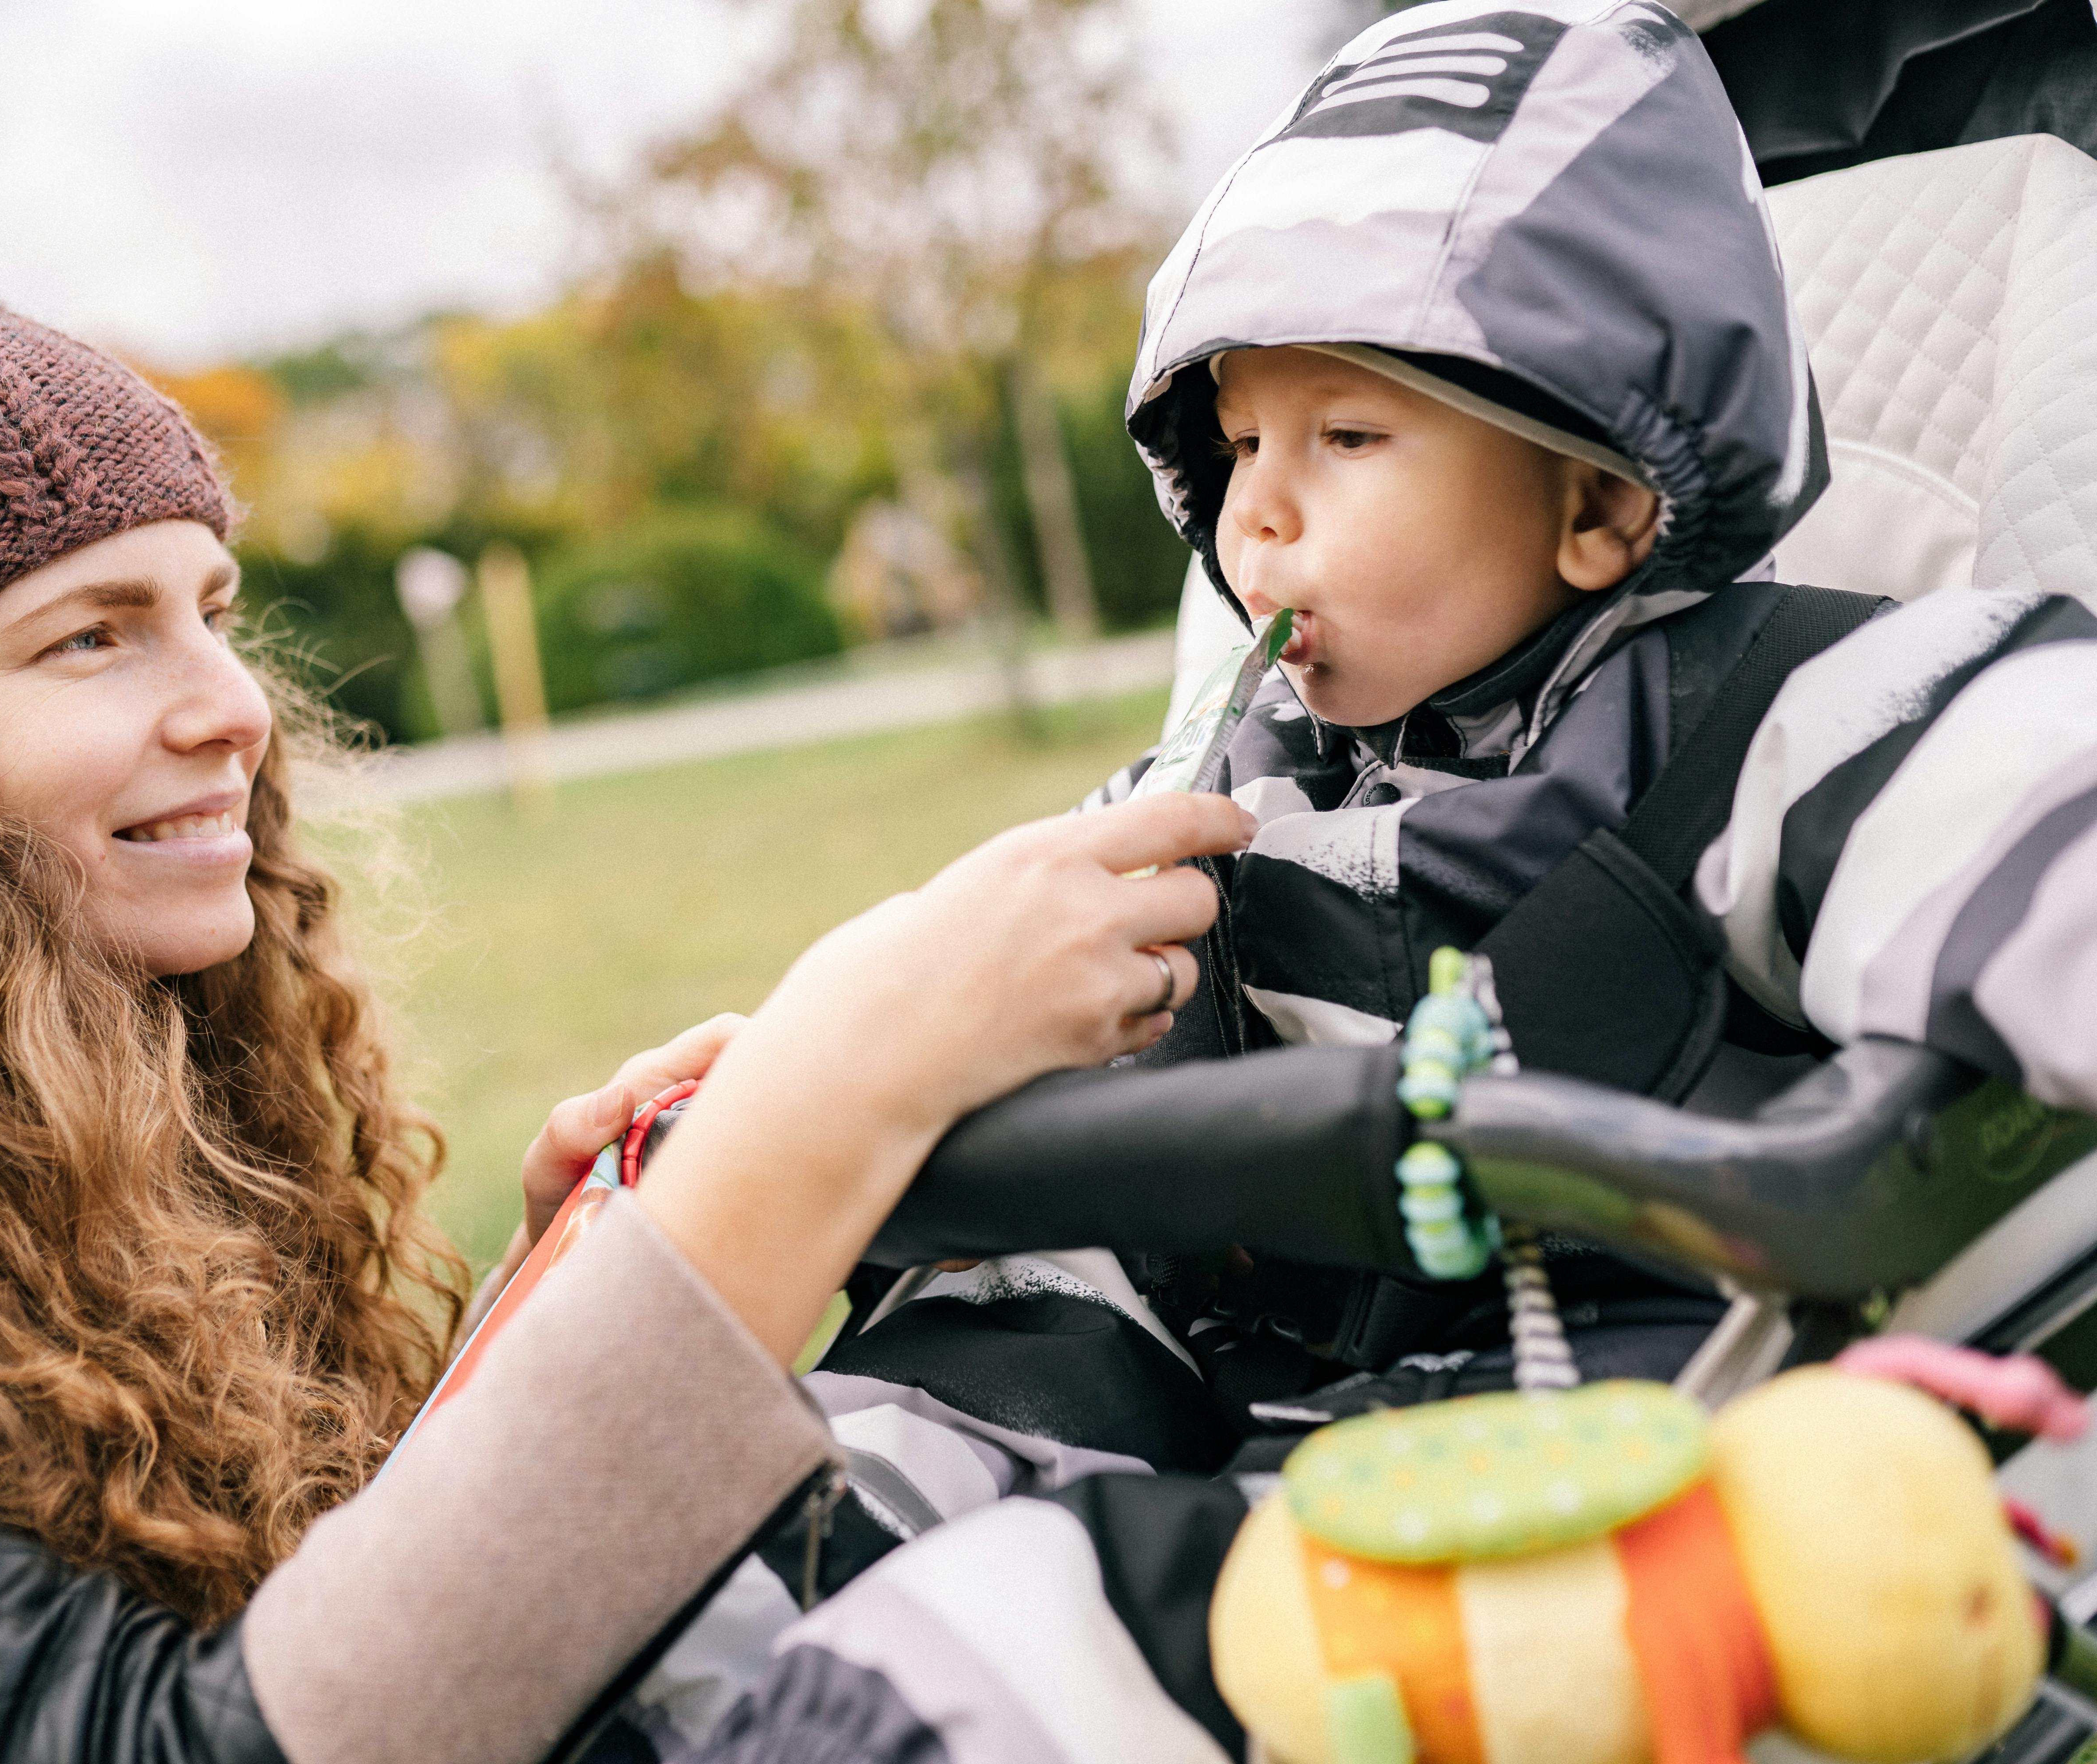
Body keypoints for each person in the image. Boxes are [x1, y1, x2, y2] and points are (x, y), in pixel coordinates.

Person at [0, 175, 1257, 1764]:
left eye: (210, 610)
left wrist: (572, 1293)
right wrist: (815, 1118)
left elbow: (312, 1617)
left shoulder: (40, 1068)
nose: (233, 706)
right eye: (92, 636)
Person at [630, 5, 2097, 1758]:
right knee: (823, 1483)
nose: (1260, 511)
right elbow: (992, 1042)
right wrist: (847, 1064)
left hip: (1621, 1389)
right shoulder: (1216, 794)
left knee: (1046, 1631)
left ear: (1599, 501)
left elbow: (2032, 811)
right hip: (1254, 1350)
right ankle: (764, 1614)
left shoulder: (1799, 709)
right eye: (1241, 446)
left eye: (1345, 438)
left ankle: (963, 1665)